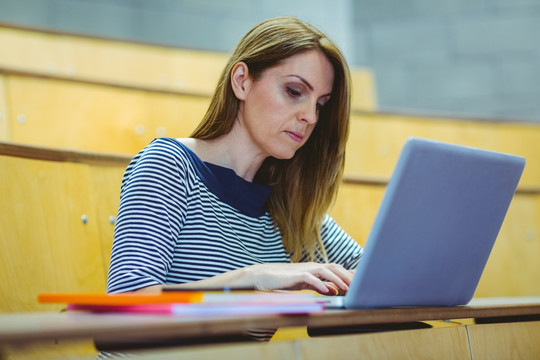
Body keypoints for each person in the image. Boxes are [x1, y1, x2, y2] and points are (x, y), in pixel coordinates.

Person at [106, 16, 363, 299]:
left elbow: (371, 270)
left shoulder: (288, 204)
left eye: (321, 105)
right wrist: (250, 278)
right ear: (242, 81)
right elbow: (125, 302)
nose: (310, 116)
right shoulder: (169, 165)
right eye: (294, 91)